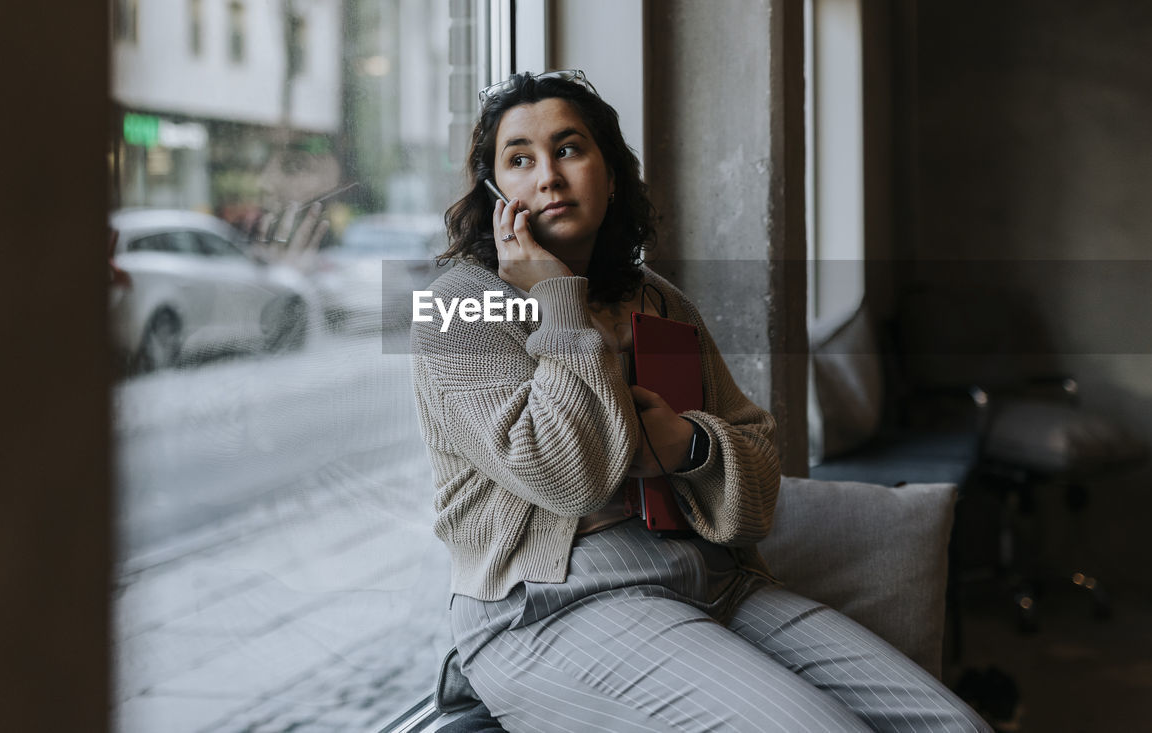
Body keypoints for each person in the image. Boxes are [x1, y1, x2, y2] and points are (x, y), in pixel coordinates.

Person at [410, 71, 988, 732]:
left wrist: (688, 444)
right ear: (493, 191)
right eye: (520, 159)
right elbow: (566, 477)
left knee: (954, 727)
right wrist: (556, 297)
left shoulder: (655, 297)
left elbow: (760, 477)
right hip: (550, 604)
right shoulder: (458, 304)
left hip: (712, 577)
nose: (548, 176)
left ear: (612, 173)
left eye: (569, 149)